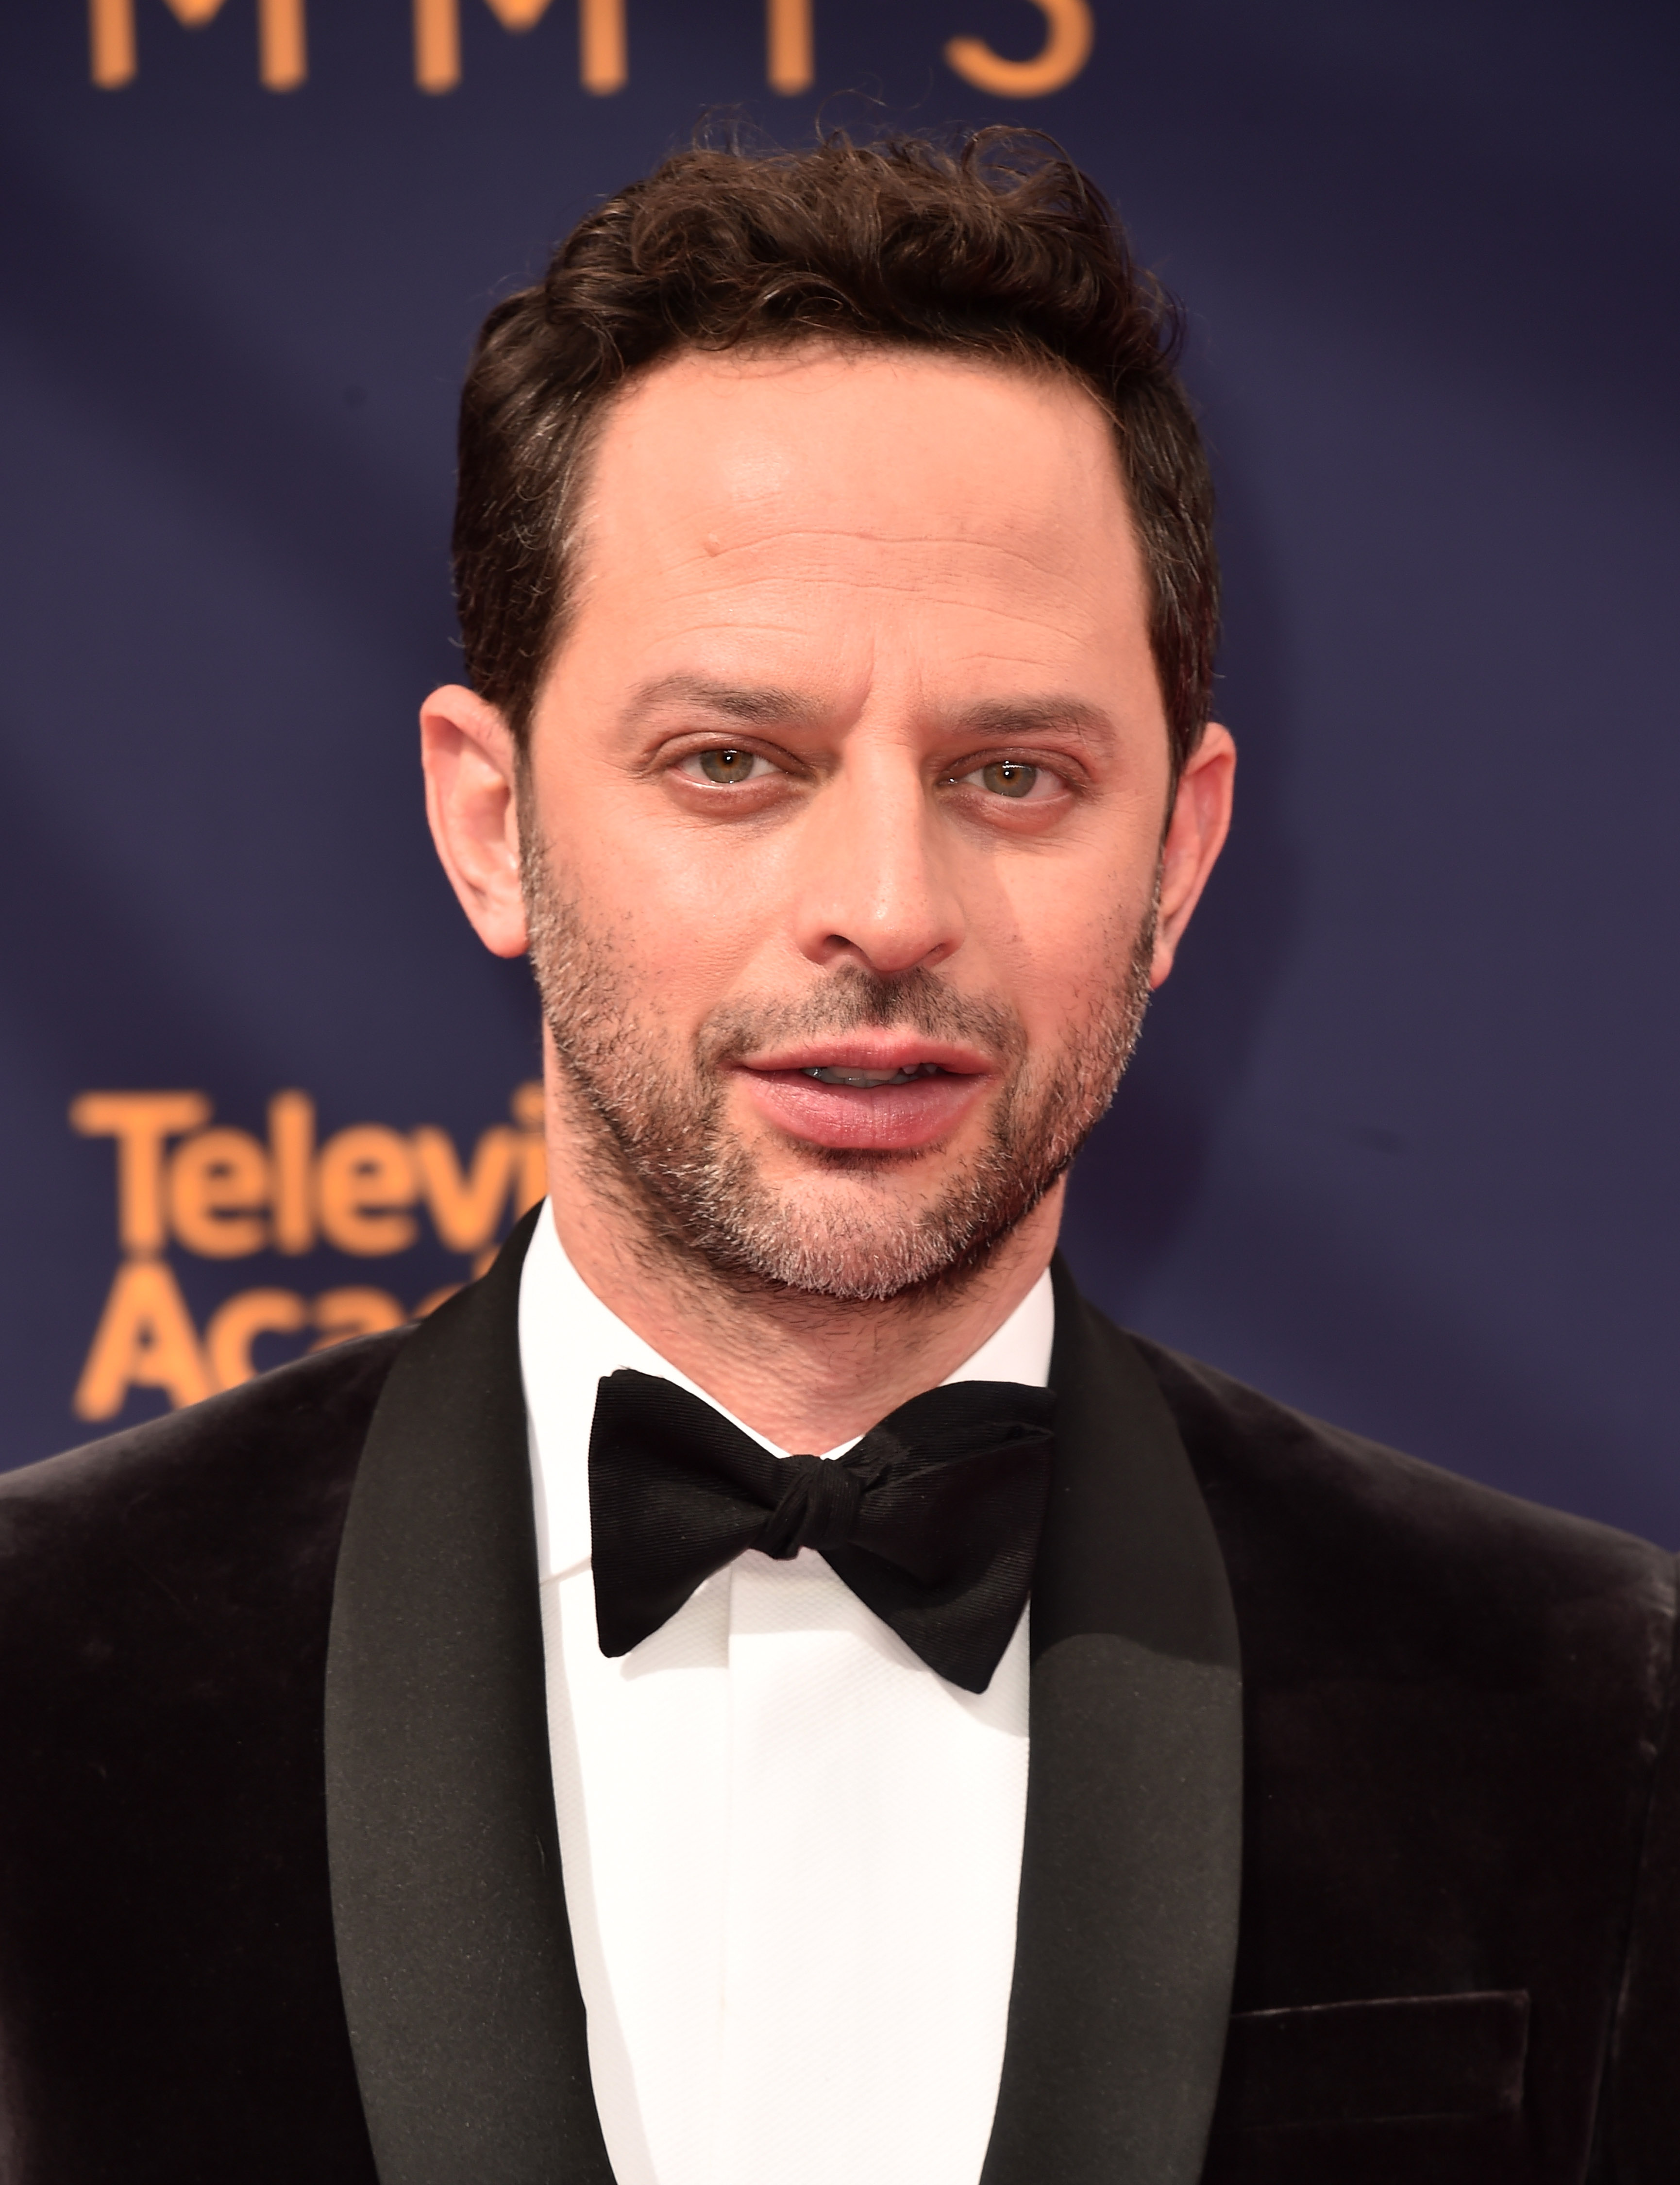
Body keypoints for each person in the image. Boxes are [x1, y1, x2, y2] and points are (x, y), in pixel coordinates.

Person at [0, 130, 1673, 2185]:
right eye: (733, 763)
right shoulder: (38, 1679)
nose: (885, 902)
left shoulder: (1586, 1712)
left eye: (1013, 774)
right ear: (485, 821)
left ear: (1181, 854)